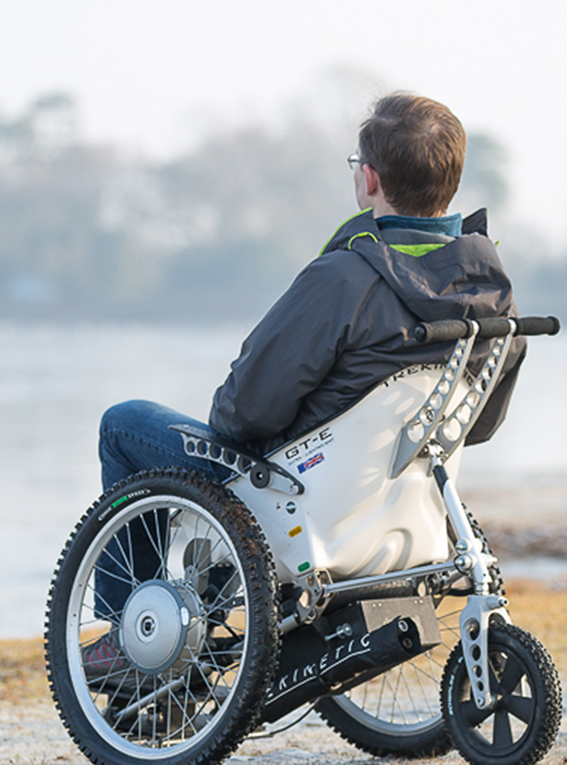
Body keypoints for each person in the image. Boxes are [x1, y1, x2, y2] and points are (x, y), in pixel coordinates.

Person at [86, 93, 525, 670]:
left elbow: (242, 414)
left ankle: (128, 637)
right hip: (402, 515)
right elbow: (479, 425)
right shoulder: (491, 291)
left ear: (370, 179)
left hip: (299, 505)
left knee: (124, 426)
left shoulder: (345, 276)